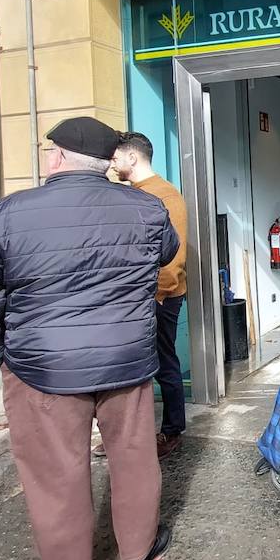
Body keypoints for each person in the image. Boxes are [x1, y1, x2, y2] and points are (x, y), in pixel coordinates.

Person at [0, 117, 179, 560]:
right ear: (108, 162)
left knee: (56, 474)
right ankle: (136, 556)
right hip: (127, 361)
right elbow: (166, 254)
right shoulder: (147, 208)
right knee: (134, 458)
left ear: (56, 158)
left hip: (42, 368)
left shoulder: (6, 214)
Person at [110, 131, 188, 459]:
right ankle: (130, 437)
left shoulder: (163, 196)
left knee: (163, 363)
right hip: (140, 296)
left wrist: (154, 295)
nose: (112, 164)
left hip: (158, 297)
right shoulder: (135, 193)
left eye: (115, 158)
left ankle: (171, 431)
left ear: (133, 157)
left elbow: (174, 257)